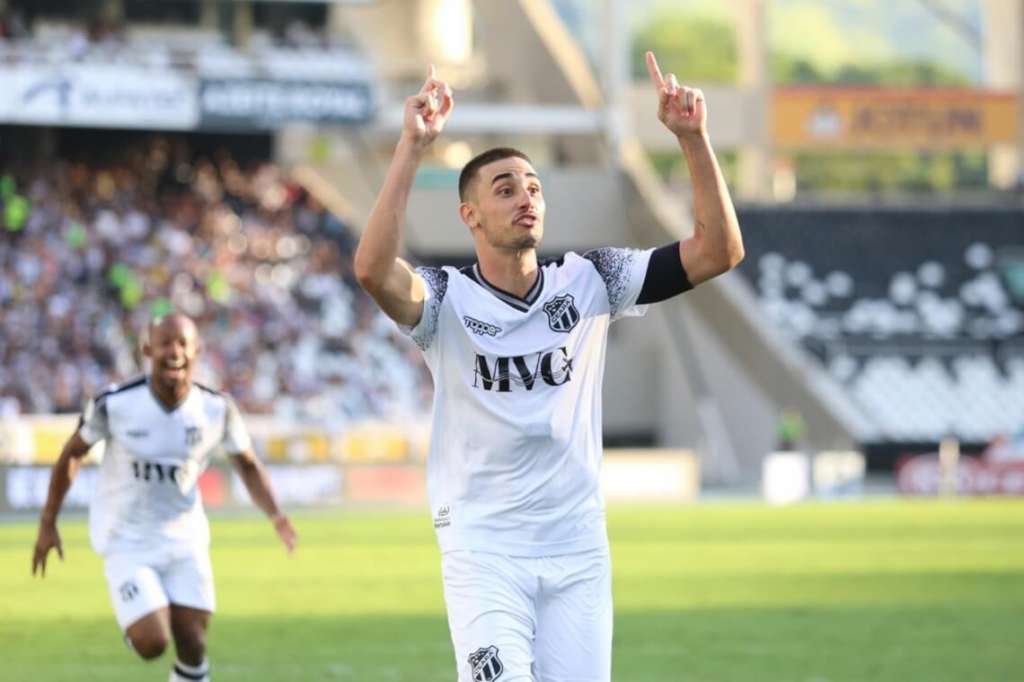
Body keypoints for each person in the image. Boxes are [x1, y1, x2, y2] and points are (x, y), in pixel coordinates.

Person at [353, 51, 743, 681]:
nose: (526, 197)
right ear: (470, 215)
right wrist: (412, 147)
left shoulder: (592, 280)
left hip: (577, 548)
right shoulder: (445, 301)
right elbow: (372, 271)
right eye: (504, 189)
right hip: (485, 549)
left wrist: (693, 140)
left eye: (533, 186)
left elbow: (719, 251)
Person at [32, 313, 297, 682]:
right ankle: (136, 622)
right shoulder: (116, 403)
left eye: (183, 343)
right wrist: (48, 522)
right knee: (153, 640)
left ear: (197, 351)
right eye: (165, 343)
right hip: (127, 540)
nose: (174, 352)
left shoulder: (216, 409)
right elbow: (72, 453)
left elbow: (248, 465)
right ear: (147, 350)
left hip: (185, 540)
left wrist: (276, 515)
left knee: (193, 647)